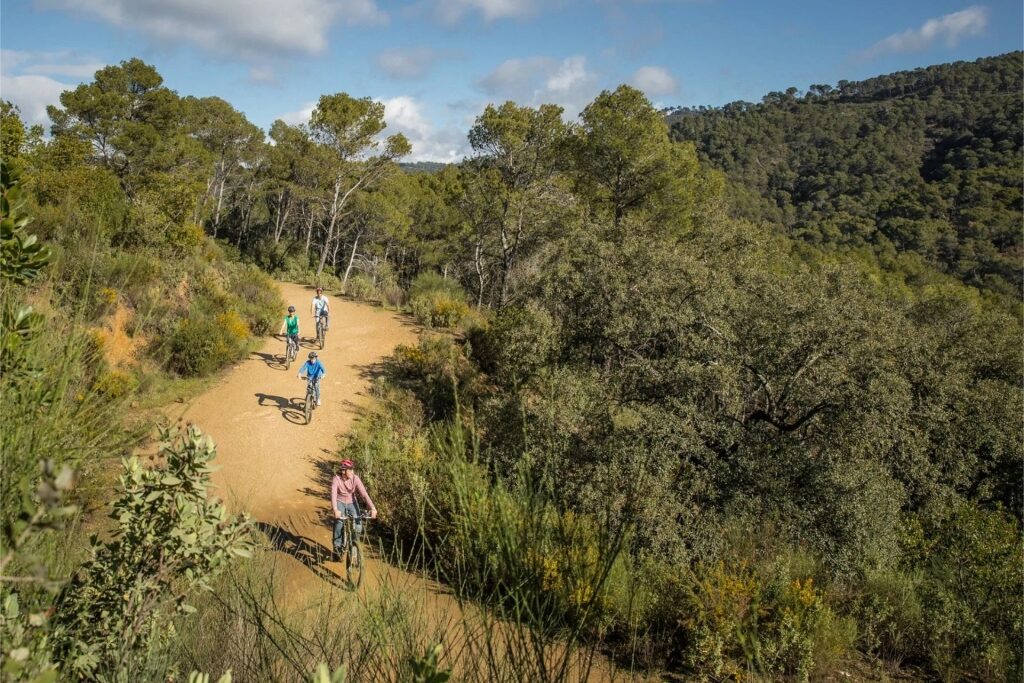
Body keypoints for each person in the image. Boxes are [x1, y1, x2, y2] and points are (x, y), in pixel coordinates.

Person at [331, 458, 378, 562]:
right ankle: (337, 547)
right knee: (339, 522)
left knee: (358, 526)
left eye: (352, 469)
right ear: (343, 471)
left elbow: (364, 494)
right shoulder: (336, 479)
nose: (352, 472)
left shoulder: (355, 478)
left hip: (352, 502)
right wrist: (335, 509)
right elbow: (333, 495)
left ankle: (354, 548)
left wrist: (373, 508)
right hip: (340, 502)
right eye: (350, 469)